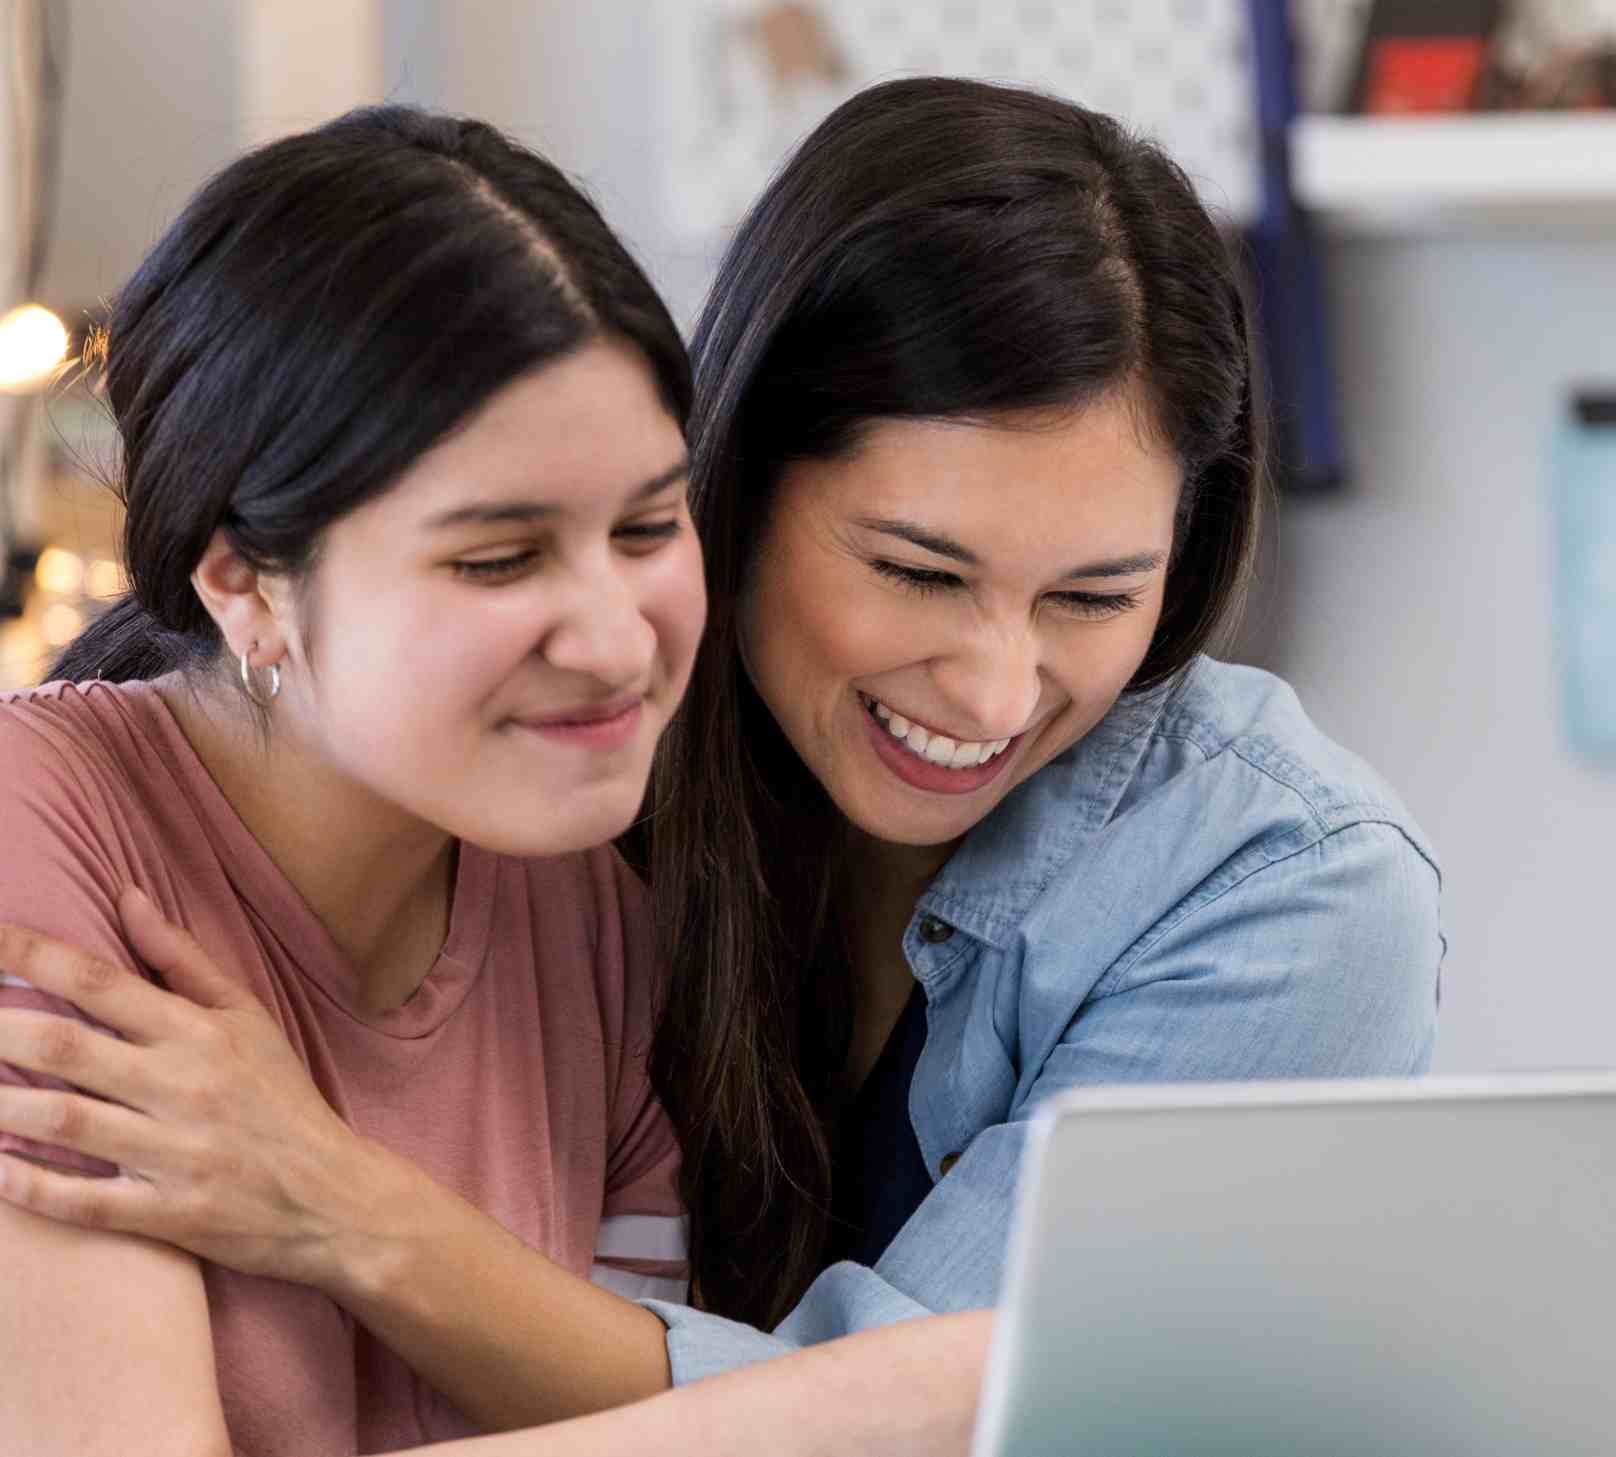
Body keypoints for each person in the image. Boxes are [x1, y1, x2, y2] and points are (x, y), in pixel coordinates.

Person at [0, 77, 1442, 1403]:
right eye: (918, 573)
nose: (1000, 691)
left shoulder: (1278, 876)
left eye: (1095, 596)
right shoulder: (560, 794)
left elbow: (1026, 1420)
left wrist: (339, 1203)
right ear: (738, 481)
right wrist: (959, 1392)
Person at [0, 105, 983, 1457]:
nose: (618, 638)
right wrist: (900, 1403)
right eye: (499, 559)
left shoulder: (592, 915)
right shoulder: (35, 836)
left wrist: (337, 1198)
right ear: (244, 582)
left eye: (649, 525)